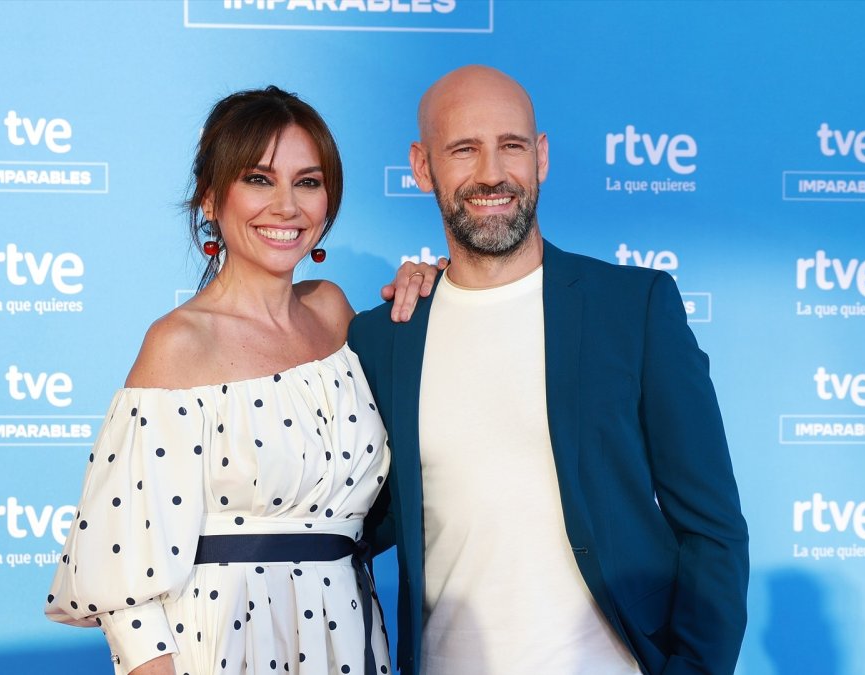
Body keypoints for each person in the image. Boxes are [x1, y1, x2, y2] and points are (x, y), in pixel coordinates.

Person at [348, 66, 750, 675]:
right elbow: (348, 522)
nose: (491, 173)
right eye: (464, 149)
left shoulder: (633, 309)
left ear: (540, 157)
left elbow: (712, 528)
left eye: (511, 145)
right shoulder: (385, 337)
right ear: (422, 167)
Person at [45, 86, 434, 675]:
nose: (287, 206)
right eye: (258, 179)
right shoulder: (178, 344)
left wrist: (437, 291)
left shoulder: (334, 314)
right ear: (210, 197)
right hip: (224, 642)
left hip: (347, 636)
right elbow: (126, 593)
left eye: (308, 182)